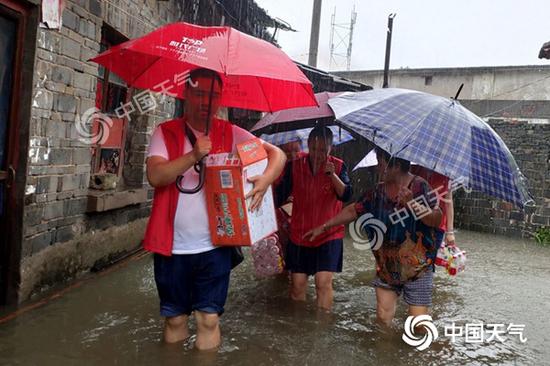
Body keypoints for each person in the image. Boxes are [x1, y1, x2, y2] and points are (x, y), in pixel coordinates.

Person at [143, 68, 286, 350]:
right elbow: (156, 177)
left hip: (216, 244)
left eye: (213, 96)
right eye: (199, 94)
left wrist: (266, 179)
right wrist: (194, 154)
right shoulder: (166, 133)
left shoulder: (230, 133)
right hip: (173, 247)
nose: (206, 102)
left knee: (208, 318)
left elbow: (277, 154)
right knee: (175, 319)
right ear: (186, 95)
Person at [304, 147, 443, 325]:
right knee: (383, 318)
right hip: (387, 266)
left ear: (396, 166)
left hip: (418, 268)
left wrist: (413, 204)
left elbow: (436, 219)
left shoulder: (419, 186)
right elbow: (353, 209)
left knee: (419, 323)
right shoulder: (377, 192)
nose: (378, 168)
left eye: (381, 163)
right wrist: (323, 227)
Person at [275, 126, 352, 310]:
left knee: (323, 283)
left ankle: (322, 327)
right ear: (308, 145)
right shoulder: (294, 165)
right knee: (297, 285)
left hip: (329, 234)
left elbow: (346, 195)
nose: (318, 155)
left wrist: (332, 175)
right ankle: (299, 328)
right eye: (315, 149)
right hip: (300, 234)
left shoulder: (339, 166)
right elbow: (279, 196)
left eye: (323, 151)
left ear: (330, 149)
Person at [410, 165, 455, 246]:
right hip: (415, 221)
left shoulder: (446, 173)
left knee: (430, 256)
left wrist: (450, 232)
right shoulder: (414, 169)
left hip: (437, 225)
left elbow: (448, 201)